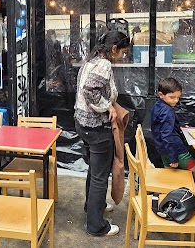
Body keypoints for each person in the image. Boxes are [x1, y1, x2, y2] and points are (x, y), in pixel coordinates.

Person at [74, 30, 130, 237]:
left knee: (95, 170)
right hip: (95, 127)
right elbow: (90, 90)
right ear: (114, 48)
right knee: (100, 176)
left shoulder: (91, 60)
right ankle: (96, 225)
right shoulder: (104, 64)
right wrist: (108, 106)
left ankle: (92, 207)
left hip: (82, 124)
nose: (123, 56)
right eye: (122, 52)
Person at [150, 77, 195, 231]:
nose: (176, 101)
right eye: (172, 97)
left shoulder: (157, 106)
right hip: (177, 152)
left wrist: (178, 128)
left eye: (178, 97)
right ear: (161, 94)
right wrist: (174, 158)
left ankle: (175, 207)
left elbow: (162, 130)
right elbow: (167, 135)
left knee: (175, 178)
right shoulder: (168, 112)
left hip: (164, 150)